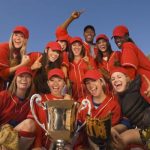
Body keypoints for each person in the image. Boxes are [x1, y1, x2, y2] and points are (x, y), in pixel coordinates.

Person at [14, 68, 72, 149]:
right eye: (52, 80)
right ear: (48, 83)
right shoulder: (40, 99)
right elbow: (35, 126)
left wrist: (67, 103)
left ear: (64, 83)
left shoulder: (70, 101)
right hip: (41, 146)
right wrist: (37, 146)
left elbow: (73, 130)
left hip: (60, 145)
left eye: (59, 80)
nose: (55, 84)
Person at [74, 69, 121, 149]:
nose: (90, 85)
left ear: (102, 81)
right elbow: (77, 131)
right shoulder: (83, 102)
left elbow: (111, 135)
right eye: (87, 83)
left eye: (93, 81)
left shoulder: (114, 105)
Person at [110, 67, 150, 150]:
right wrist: (113, 129)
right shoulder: (118, 100)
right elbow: (126, 122)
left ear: (128, 79)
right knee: (118, 142)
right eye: (113, 79)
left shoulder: (139, 85)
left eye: (119, 77)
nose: (115, 80)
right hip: (142, 130)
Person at [112, 25, 150, 102]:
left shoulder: (127, 46)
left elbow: (130, 71)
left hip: (147, 82)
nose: (117, 40)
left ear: (126, 36)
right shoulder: (129, 47)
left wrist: (122, 90)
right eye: (115, 38)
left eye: (119, 36)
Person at [0, 66, 34, 149]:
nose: (24, 79)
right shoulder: (3, 95)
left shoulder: (32, 102)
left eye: (27, 77)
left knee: (30, 123)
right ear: (15, 79)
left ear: (31, 81)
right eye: (21, 76)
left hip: (16, 142)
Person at [0, 26, 31, 91]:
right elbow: (2, 73)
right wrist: (22, 65)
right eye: (16, 35)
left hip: (3, 87)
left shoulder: (21, 55)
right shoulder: (3, 47)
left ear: (25, 40)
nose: (18, 38)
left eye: (22, 36)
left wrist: (32, 67)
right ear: (12, 36)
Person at [68, 37, 96, 101]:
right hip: (74, 100)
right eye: (74, 45)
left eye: (79, 45)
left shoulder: (89, 59)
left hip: (90, 98)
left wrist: (88, 63)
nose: (76, 47)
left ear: (82, 47)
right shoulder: (68, 63)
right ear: (70, 47)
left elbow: (95, 77)